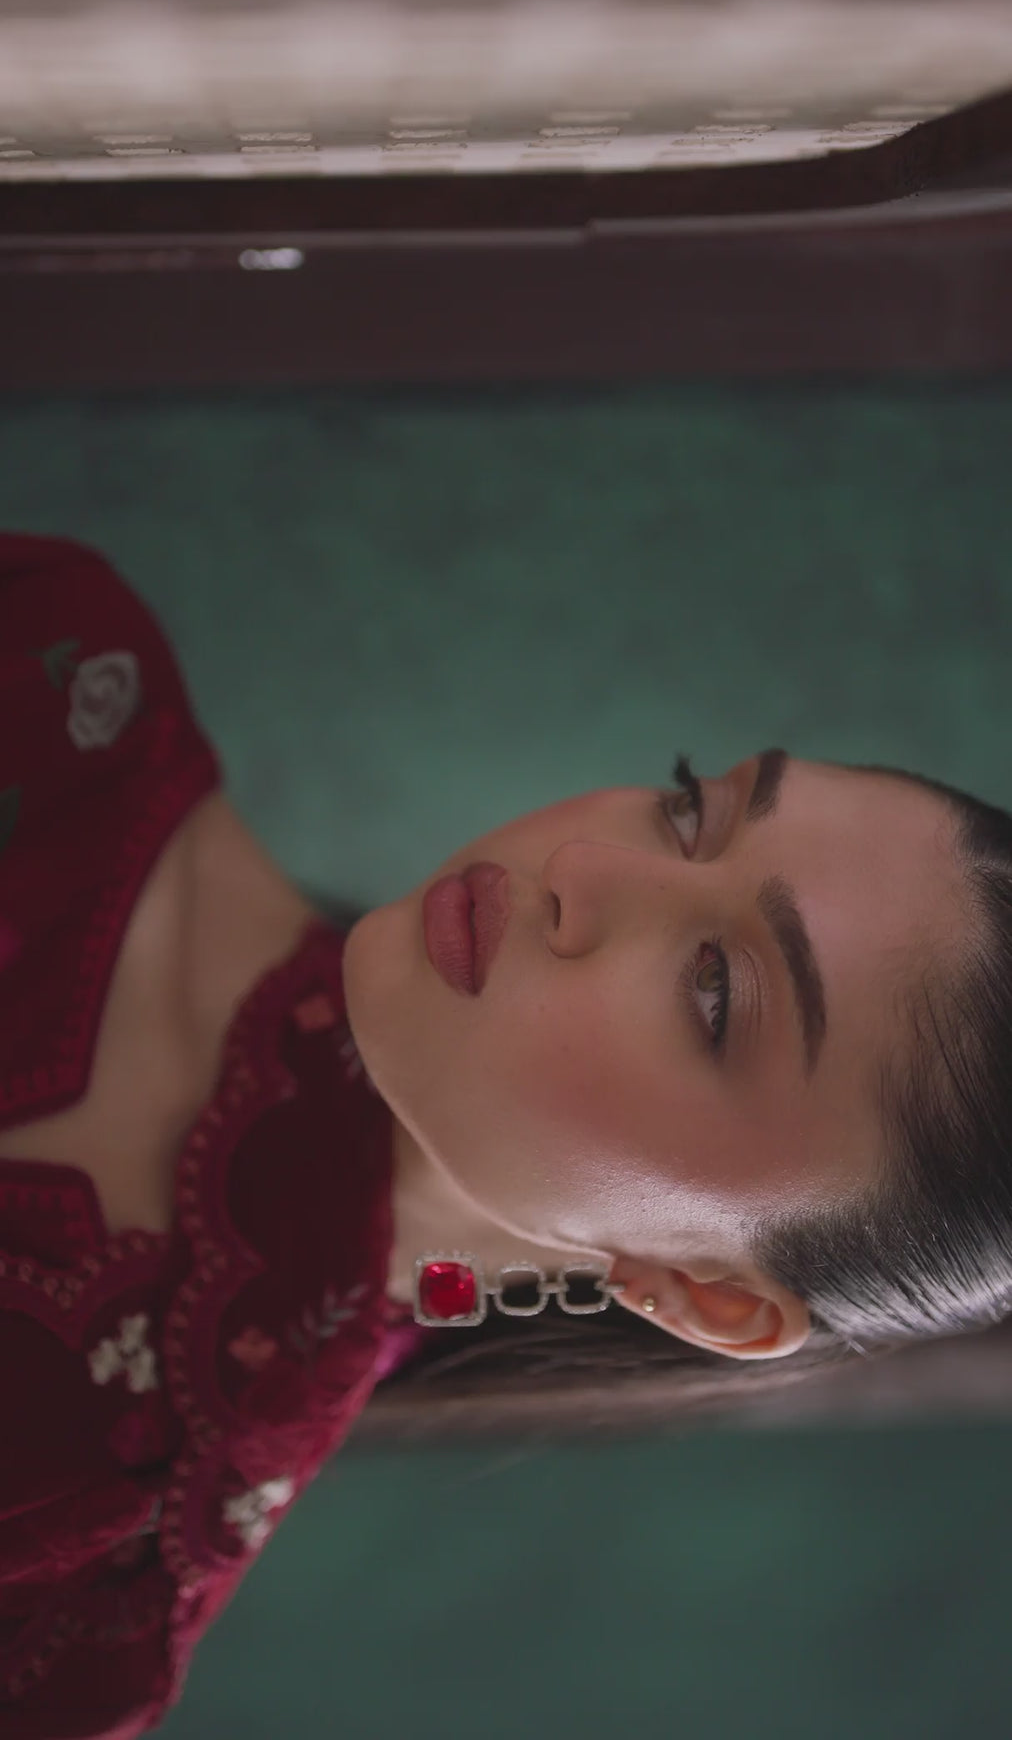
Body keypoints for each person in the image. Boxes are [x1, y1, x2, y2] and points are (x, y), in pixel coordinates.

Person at [2, 531, 1011, 1733]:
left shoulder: (94, 1610)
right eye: (689, 812)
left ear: (709, 1296)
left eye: (713, 992)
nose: (583, 864)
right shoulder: (51, 668)